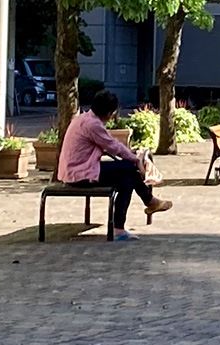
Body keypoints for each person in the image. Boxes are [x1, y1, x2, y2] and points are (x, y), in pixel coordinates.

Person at [57, 91, 173, 241]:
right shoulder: (92, 125)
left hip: (77, 170)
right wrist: (136, 160)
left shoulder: (83, 119)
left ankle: (135, 215)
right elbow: (113, 146)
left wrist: (131, 156)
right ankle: (143, 208)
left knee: (127, 176)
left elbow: (110, 145)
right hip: (80, 174)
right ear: (109, 113)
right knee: (129, 171)